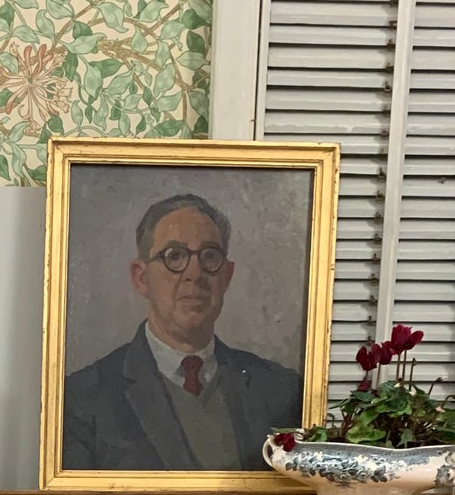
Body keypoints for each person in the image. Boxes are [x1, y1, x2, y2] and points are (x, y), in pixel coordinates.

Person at [61, 191, 302, 471]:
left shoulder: (280, 390)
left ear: (227, 275)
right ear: (141, 278)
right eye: (174, 256)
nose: (194, 273)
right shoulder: (84, 399)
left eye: (209, 256)